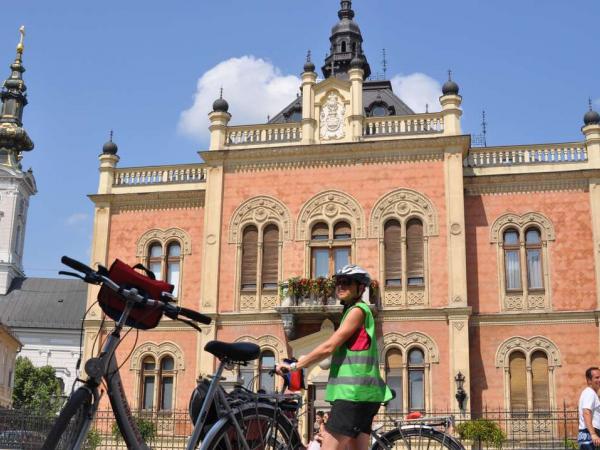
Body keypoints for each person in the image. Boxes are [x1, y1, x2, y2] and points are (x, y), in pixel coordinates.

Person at [277, 264, 392, 450]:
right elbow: (346, 351)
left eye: (346, 282)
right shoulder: (354, 312)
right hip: (365, 395)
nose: (340, 286)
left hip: (353, 396)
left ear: (360, 288)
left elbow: (330, 345)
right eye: (338, 283)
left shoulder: (358, 311)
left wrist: (297, 365)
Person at [578, 367, 600, 449]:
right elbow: (586, 412)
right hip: (590, 434)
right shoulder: (590, 393)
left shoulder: (589, 393)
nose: (599, 380)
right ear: (589, 380)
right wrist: (593, 434)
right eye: (597, 377)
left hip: (587, 434)